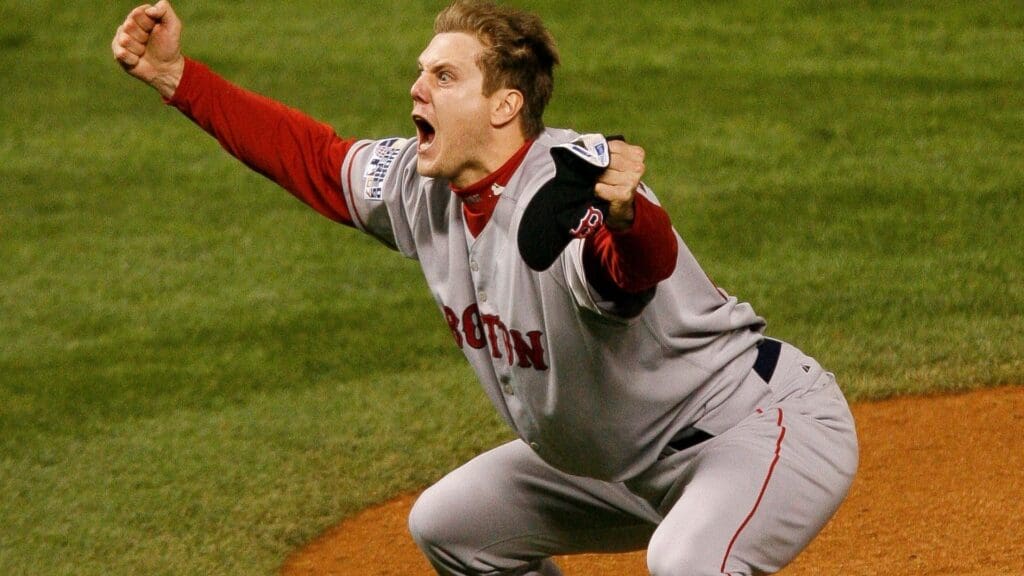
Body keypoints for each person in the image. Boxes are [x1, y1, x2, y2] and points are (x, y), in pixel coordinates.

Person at [112, 2, 859, 575]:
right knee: (452, 526)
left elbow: (629, 275)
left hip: (754, 431)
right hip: (614, 464)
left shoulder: (565, 190)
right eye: (421, 71)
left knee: (686, 563)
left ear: (504, 106)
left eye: (444, 76)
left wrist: (630, 217)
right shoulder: (420, 183)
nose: (417, 87)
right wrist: (179, 79)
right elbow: (313, 157)